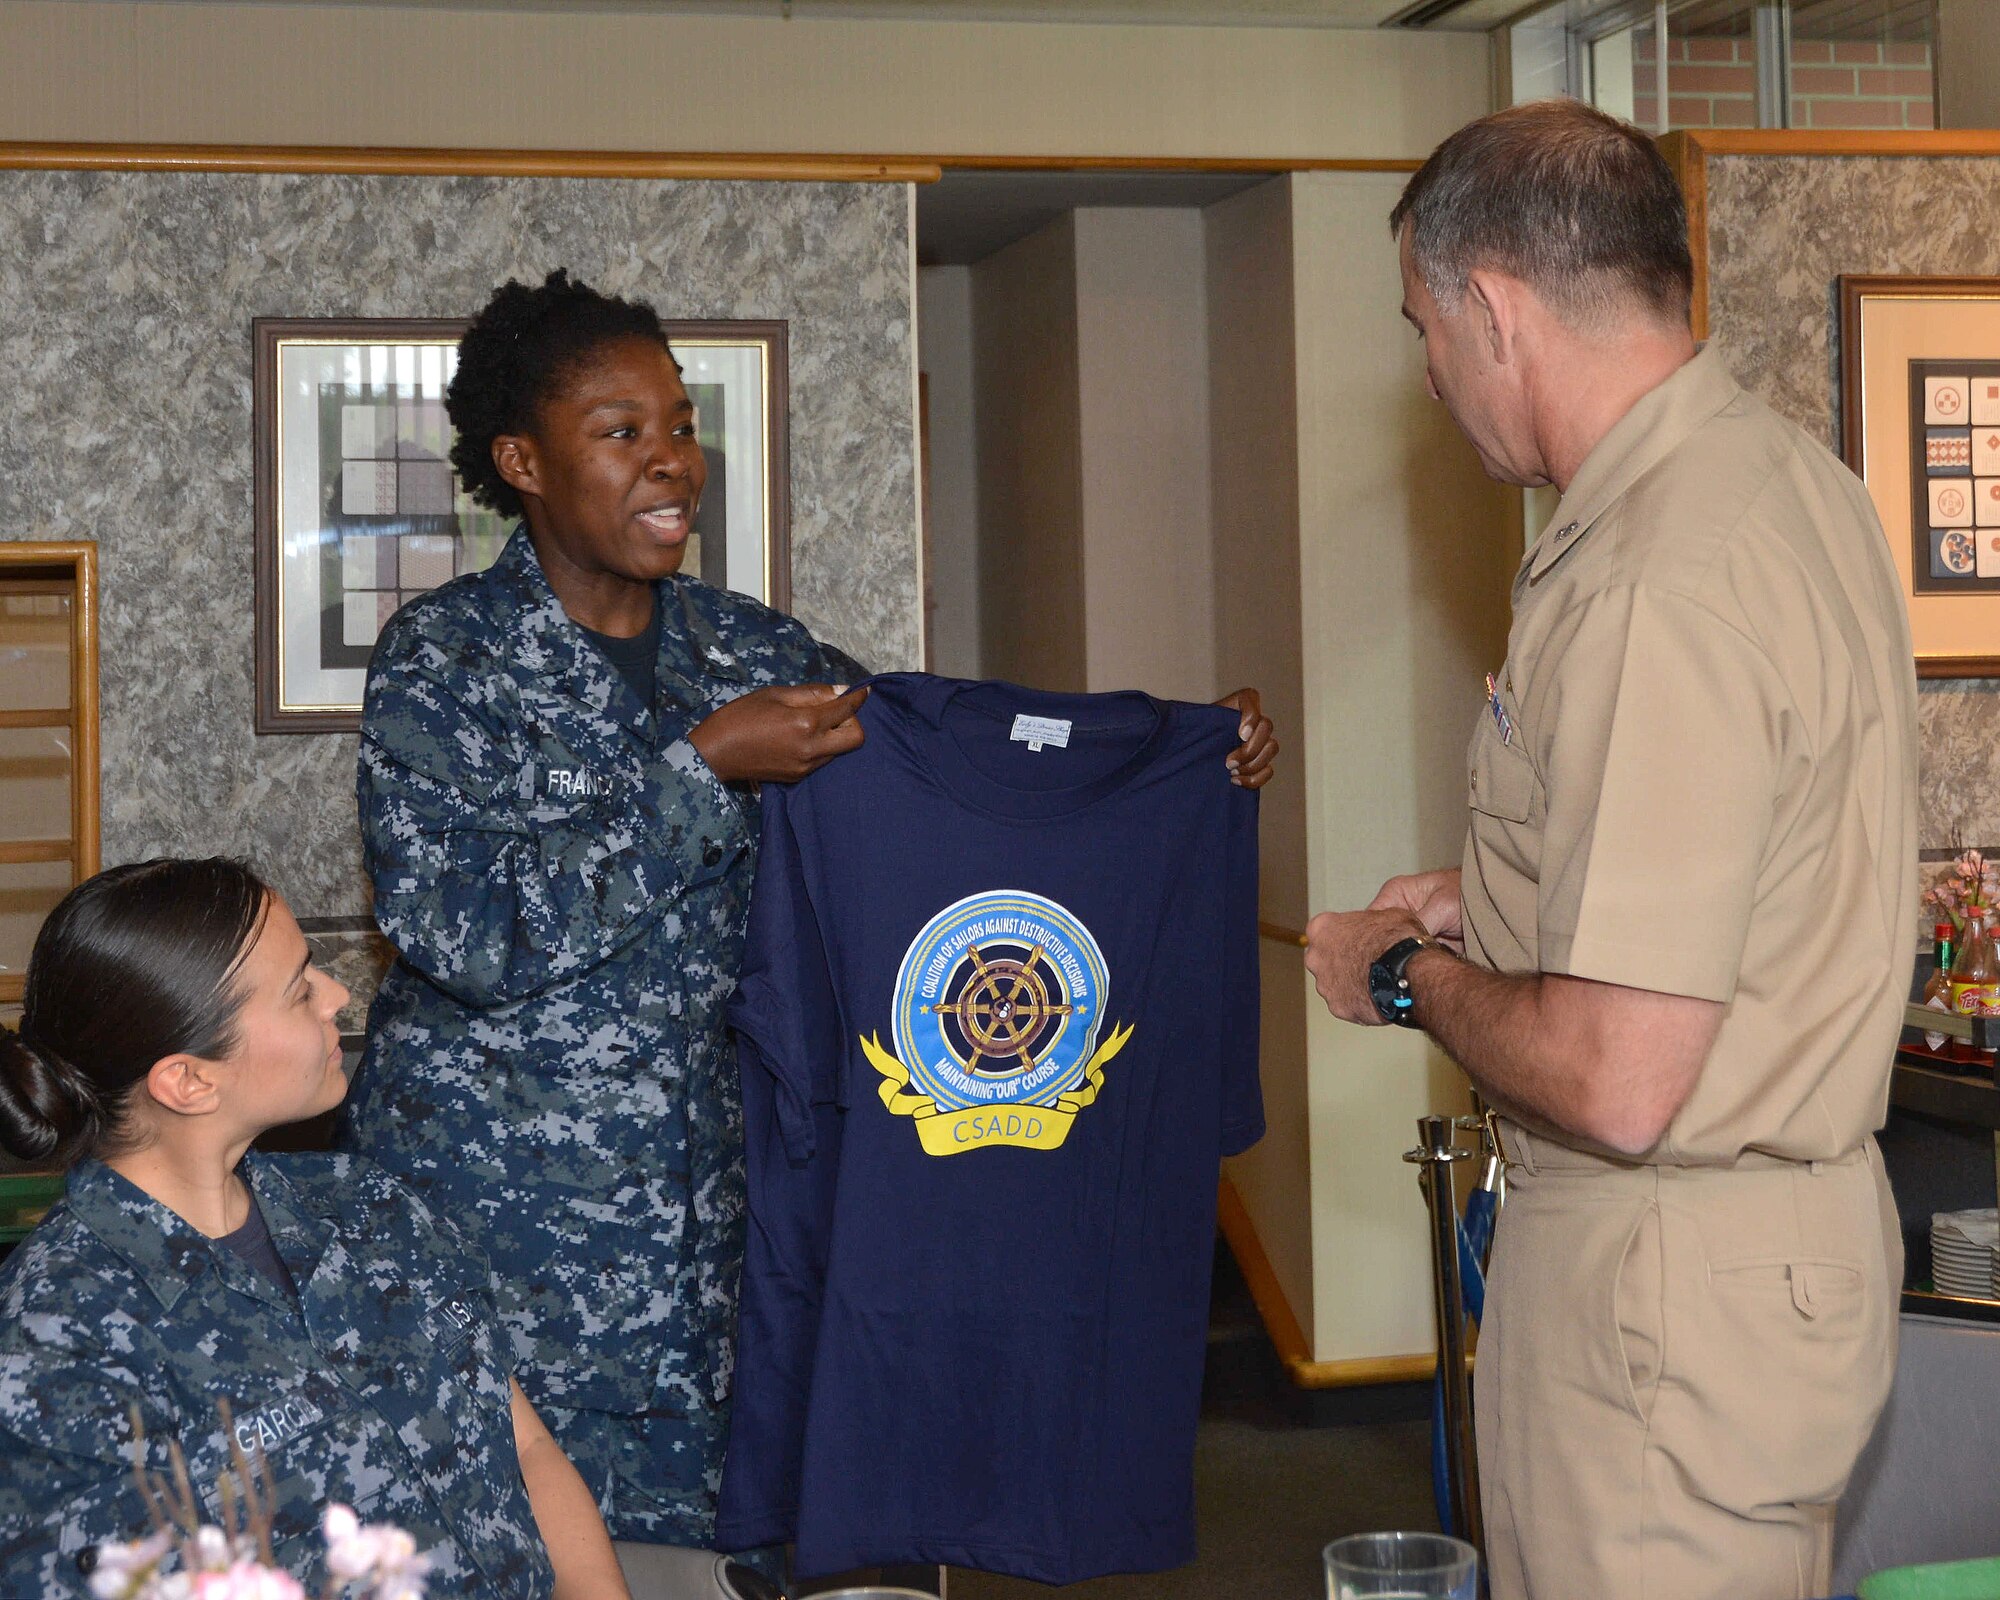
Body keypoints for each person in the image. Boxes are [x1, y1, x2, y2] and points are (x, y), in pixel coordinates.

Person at [339, 267, 1286, 1572]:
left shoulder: (751, 653)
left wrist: (1176, 755)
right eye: (623, 433)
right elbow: (462, 933)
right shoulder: (444, 660)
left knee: (725, 1566)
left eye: (679, 424)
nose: (672, 461)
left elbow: (960, 777)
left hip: (722, 1255)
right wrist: (696, 775)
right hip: (504, 1266)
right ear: (523, 461)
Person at [1303, 101, 1915, 1600]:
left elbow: (1621, 1077)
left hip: (1658, 1298)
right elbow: (1755, 867)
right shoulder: (1789, 488)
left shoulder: (1655, 581)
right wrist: (1501, 896)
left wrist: (1409, 975)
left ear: (1495, 310)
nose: (1431, 377)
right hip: (1761, 1268)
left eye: (1424, 330)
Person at [0, 858, 629, 1600]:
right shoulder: (60, 1345)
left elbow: (523, 1446)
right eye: (301, 989)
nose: (338, 996)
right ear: (189, 1080)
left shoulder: (369, 1206)